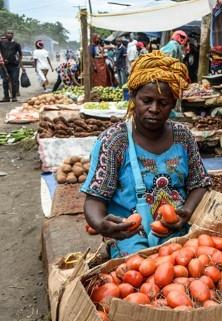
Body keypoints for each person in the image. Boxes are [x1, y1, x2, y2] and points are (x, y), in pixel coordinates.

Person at [81, 50, 212, 258]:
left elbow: (199, 184)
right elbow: (94, 199)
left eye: (163, 103)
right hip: (129, 235)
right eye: (147, 100)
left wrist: (186, 212)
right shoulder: (114, 140)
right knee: (142, 275)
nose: (154, 109)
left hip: (178, 232)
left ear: (173, 104)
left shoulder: (183, 136)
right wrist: (101, 224)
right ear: (133, 98)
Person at [0, 31, 22, 102]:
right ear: (5, 35)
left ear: (13, 35)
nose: (9, 35)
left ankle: (14, 96)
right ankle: (6, 97)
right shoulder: (1, 43)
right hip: (4, 66)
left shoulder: (16, 44)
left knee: (14, 81)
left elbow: (20, 54)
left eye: (11, 33)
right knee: (5, 81)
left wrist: (19, 62)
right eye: (8, 33)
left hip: (14, 66)